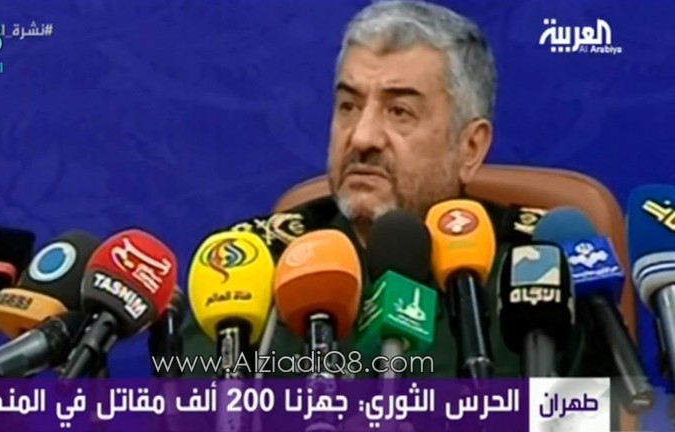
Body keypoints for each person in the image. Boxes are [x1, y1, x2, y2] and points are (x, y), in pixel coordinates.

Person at [176, 0, 591, 406]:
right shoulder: (250, 273)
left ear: (470, 147)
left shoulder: (538, 276)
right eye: (349, 106)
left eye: (399, 111)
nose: (362, 137)